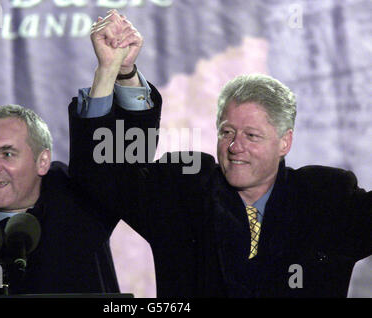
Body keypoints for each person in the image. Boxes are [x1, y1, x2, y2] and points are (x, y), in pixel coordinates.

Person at [70, 38, 372, 296]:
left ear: (284, 142)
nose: (235, 146)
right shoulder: (184, 188)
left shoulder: (327, 197)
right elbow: (100, 176)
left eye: (251, 136)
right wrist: (115, 71)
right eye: (227, 132)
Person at [0, 11, 161, 296]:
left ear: (42, 160)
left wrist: (117, 72)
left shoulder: (82, 206)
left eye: (7, 154)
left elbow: (121, 158)